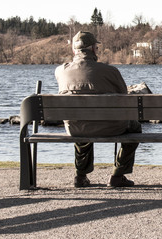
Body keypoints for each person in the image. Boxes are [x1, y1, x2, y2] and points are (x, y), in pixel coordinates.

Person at [55, 31, 141, 188]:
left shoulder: (60, 71)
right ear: (94, 49)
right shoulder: (110, 71)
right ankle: (118, 175)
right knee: (135, 128)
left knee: (81, 122)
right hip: (111, 127)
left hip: (75, 128)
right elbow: (124, 98)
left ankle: (80, 176)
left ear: (74, 50)